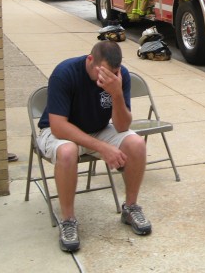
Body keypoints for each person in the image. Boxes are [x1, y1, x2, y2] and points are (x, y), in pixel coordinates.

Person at [37, 40, 151, 252]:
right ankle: (68, 220)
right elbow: (58, 126)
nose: (108, 77)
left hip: (97, 129)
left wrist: (116, 93)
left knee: (136, 143)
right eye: (105, 72)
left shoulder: (120, 76)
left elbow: (122, 125)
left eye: (114, 73)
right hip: (59, 132)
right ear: (90, 61)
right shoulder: (65, 73)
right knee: (68, 151)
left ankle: (131, 207)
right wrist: (101, 147)